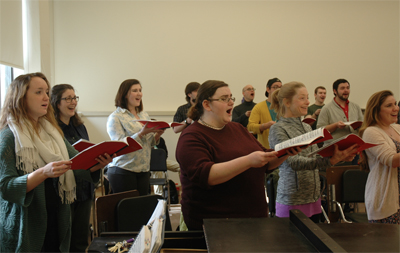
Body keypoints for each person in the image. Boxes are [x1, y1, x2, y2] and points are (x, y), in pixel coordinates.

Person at [0, 72, 112, 252]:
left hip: (56, 215)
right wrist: (43, 172)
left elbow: (75, 161)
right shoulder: (8, 136)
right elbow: (5, 186)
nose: (45, 97)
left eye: (46, 91)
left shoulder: (51, 132)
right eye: (38, 92)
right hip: (27, 222)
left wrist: (98, 163)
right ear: (21, 97)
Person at [176, 80, 301, 230]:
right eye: (224, 99)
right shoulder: (191, 136)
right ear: (207, 105)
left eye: (231, 98)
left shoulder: (237, 128)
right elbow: (207, 175)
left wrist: (287, 151)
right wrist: (248, 161)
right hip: (216, 226)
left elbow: (265, 160)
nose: (230, 103)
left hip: (254, 220)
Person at [268, 81, 358, 222]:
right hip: (292, 200)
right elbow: (292, 162)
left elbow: (316, 158)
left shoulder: (307, 128)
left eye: (308, 97)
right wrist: (330, 160)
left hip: (313, 198)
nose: (308, 102)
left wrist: (338, 156)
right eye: (302, 98)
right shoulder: (278, 129)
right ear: (286, 102)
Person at [51, 84, 114, 252]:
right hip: (64, 189)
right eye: (68, 98)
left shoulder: (80, 126)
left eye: (75, 98)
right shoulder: (52, 129)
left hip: (85, 188)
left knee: (81, 238)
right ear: (57, 103)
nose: (73, 102)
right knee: (64, 237)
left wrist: (101, 160)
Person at [107, 79, 165, 195]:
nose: (139, 93)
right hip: (123, 169)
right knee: (128, 208)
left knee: (141, 209)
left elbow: (148, 142)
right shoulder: (116, 117)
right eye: (135, 91)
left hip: (143, 169)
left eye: (140, 90)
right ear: (125, 95)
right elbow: (119, 146)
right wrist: (141, 133)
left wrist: (157, 135)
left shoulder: (143, 114)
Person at [359, 90, 400, 224]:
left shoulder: (397, 128)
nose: (396, 108)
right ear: (376, 110)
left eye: (395, 104)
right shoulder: (371, 132)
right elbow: (391, 160)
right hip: (386, 199)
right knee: (389, 244)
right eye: (389, 106)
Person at [248, 77, 282, 148]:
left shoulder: (285, 106)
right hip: (266, 148)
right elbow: (250, 127)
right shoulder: (259, 107)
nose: (278, 90)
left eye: (281, 87)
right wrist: (265, 126)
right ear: (268, 89)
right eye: (275, 87)